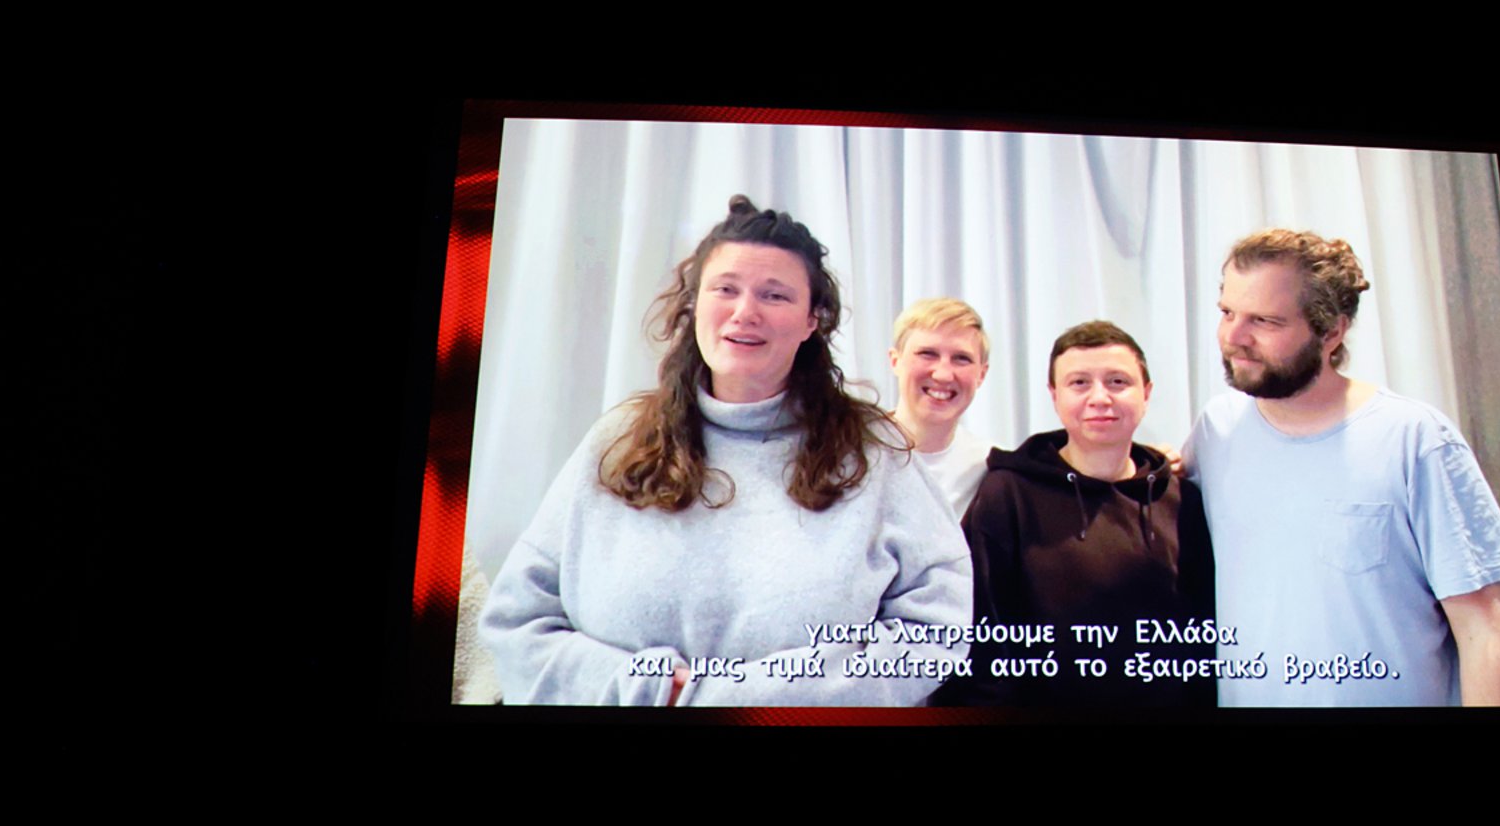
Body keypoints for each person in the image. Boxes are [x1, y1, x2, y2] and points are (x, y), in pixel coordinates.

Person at [482, 195, 972, 706]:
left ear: (813, 320)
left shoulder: (874, 453)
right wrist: (649, 690)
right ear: (695, 303)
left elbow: (935, 630)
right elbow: (518, 621)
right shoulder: (619, 440)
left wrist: (739, 701)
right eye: (725, 289)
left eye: (775, 295)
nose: (745, 312)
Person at [1183, 229, 1500, 707]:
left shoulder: (1414, 439)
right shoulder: (1216, 430)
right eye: (1227, 313)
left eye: (1264, 320)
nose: (1234, 338)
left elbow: (1487, 633)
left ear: (1332, 332)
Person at [946, 321, 1214, 708]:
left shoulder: (1180, 500)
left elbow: (1203, 637)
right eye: (1079, 383)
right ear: (1054, 396)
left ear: (1146, 393)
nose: (1099, 398)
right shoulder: (1008, 495)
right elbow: (982, 638)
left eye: (1118, 382)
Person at [888, 298, 991, 518]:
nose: (943, 374)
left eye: (961, 359)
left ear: (981, 374)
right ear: (895, 361)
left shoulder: (991, 467)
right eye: (927, 354)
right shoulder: (848, 453)